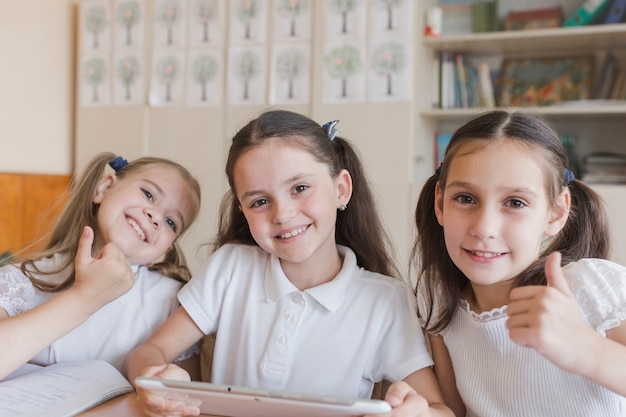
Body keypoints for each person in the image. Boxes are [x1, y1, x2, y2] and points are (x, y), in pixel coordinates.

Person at [126, 109, 453, 417]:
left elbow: (439, 409)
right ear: (243, 209)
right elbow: (148, 352)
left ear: (341, 189)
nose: (282, 214)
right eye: (260, 201)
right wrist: (153, 379)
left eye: (299, 188)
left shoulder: (386, 301)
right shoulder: (231, 268)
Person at [413, 110, 626, 417]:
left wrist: (589, 351)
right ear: (440, 203)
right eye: (465, 198)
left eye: (515, 203)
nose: (484, 227)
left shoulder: (589, 286)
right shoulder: (437, 292)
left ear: (555, 213)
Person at [0, 152, 202, 380]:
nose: (156, 216)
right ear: (104, 188)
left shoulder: (173, 304)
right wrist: (85, 296)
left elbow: (184, 399)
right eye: (148, 194)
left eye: (170, 222)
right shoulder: (20, 281)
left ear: (162, 251)